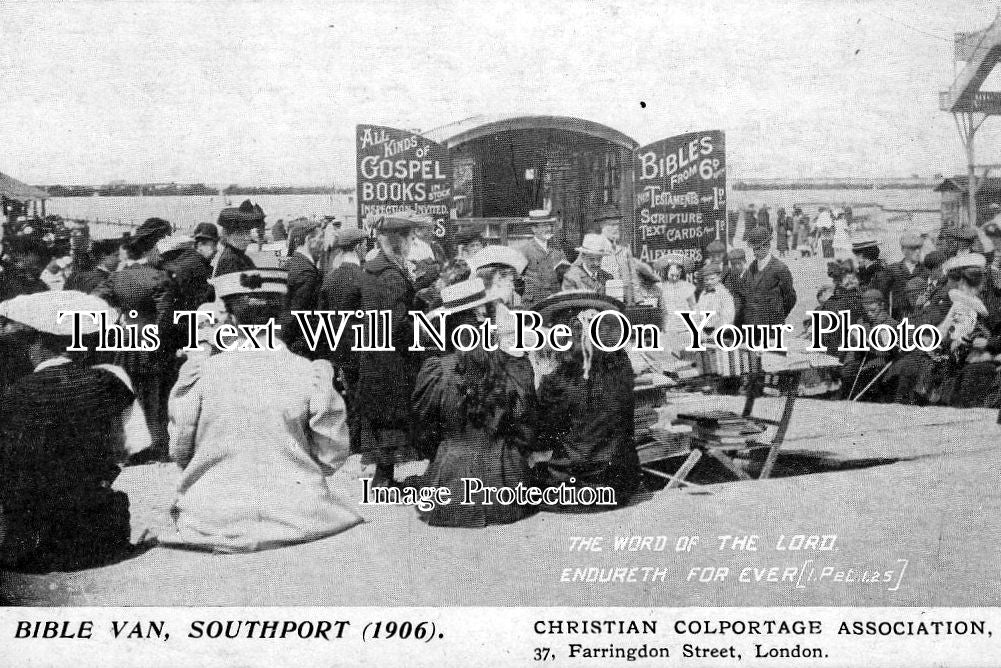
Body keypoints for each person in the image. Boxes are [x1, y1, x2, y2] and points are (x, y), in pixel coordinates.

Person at [161, 269, 361, 552]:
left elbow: (180, 450)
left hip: (211, 514)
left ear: (228, 318)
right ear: (281, 317)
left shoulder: (200, 374)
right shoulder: (309, 374)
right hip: (301, 511)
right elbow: (331, 455)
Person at [0, 291, 149, 571]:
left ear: (37, 344)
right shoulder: (111, 382)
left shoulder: (14, 396)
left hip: (30, 545)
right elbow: (131, 447)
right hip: (98, 538)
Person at [412, 277, 541, 527]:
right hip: (506, 484)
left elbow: (422, 429)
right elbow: (525, 419)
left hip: (449, 486)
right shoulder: (509, 365)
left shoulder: (437, 370)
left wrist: (442, 452)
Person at [532, 292, 641, 510]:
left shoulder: (558, 379)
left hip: (570, 489)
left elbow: (543, 436)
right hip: (618, 485)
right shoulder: (621, 366)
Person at [92, 217, 175, 459]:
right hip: (151, 345)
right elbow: (164, 320)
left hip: (125, 342)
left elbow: (95, 301)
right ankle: (156, 445)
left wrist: (119, 320)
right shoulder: (159, 278)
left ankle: (132, 445)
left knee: (130, 394)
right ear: (154, 247)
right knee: (154, 398)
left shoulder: (118, 277)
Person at [357, 214, 427, 487]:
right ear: (398, 240)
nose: (412, 243)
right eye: (410, 238)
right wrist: (422, 327)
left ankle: (382, 478)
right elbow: (396, 323)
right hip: (391, 360)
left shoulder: (373, 268)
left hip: (375, 355)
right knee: (392, 418)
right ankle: (383, 481)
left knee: (384, 419)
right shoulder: (392, 276)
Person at [317, 227, 369, 453]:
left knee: (344, 394)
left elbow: (322, 318)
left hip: (338, 349)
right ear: (358, 247)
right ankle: (358, 442)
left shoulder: (329, 279)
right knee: (362, 395)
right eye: (365, 245)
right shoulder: (364, 279)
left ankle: (346, 440)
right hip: (362, 348)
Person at [595, 209, 659, 304]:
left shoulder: (624, 247)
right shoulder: (595, 247)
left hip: (627, 301)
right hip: (606, 300)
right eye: (612, 225)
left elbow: (633, 276)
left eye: (617, 224)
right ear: (602, 226)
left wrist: (638, 300)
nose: (616, 228)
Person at [284, 218, 326, 359]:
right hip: (303, 351)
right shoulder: (307, 273)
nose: (323, 244)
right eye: (321, 238)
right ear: (309, 239)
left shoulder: (295, 263)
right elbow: (297, 316)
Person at [741, 226, 796, 326]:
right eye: (754, 248)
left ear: (767, 246)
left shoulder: (780, 269)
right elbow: (743, 290)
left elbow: (790, 298)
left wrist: (778, 316)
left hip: (772, 326)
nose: (755, 252)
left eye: (758, 248)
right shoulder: (751, 268)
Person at [519, 209, 570, 308]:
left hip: (554, 300)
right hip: (534, 303)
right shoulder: (525, 250)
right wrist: (529, 293)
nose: (549, 229)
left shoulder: (557, 248)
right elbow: (517, 279)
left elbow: (566, 271)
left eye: (550, 225)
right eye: (544, 226)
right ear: (534, 229)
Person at [653, 253, 697, 352]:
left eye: (677, 275)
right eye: (672, 275)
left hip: (684, 327)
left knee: (684, 352)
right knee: (669, 353)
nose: (674, 278)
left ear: (681, 274)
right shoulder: (661, 287)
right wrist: (662, 325)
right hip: (668, 326)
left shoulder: (687, 287)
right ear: (666, 272)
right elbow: (659, 308)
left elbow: (693, 307)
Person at [214, 200, 262, 277]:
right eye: (240, 233)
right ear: (228, 236)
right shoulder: (230, 259)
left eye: (247, 232)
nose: (246, 238)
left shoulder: (240, 256)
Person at [886, 233, 928, 320]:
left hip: (921, 318)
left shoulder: (926, 270)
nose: (917, 252)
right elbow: (883, 297)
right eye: (913, 249)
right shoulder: (893, 269)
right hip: (899, 320)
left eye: (919, 248)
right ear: (903, 250)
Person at [694, 263, 735, 331]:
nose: (709, 282)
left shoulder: (725, 295)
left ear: (719, 277)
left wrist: (714, 333)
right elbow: (697, 314)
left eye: (712, 279)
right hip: (703, 332)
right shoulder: (703, 294)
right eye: (706, 280)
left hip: (720, 333)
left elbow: (728, 319)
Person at [722, 248, 747, 325]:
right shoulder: (727, 276)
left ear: (745, 262)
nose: (736, 266)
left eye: (739, 263)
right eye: (733, 264)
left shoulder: (753, 276)